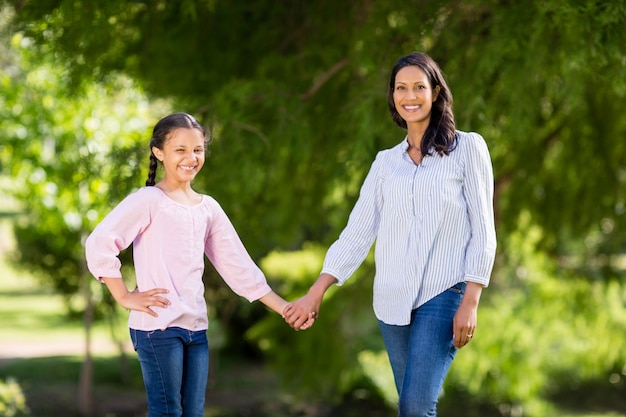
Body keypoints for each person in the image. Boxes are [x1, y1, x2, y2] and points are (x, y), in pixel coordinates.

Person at [283, 52, 497, 416]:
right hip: (391, 300)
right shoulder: (385, 163)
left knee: (415, 406)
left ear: (435, 93)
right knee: (410, 406)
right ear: (393, 97)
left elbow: (484, 231)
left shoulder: (468, 149)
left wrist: (471, 301)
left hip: (444, 293)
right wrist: (317, 291)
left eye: (418, 87)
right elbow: (357, 233)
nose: (409, 95)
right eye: (401, 88)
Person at [85, 112, 314, 417]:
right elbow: (100, 242)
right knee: (167, 412)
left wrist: (284, 307)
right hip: (158, 327)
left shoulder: (208, 208)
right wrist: (124, 296)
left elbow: (238, 266)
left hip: (196, 328)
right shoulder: (149, 200)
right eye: (180, 150)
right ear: (159, 153)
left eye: (198, 150)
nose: (191, 158)